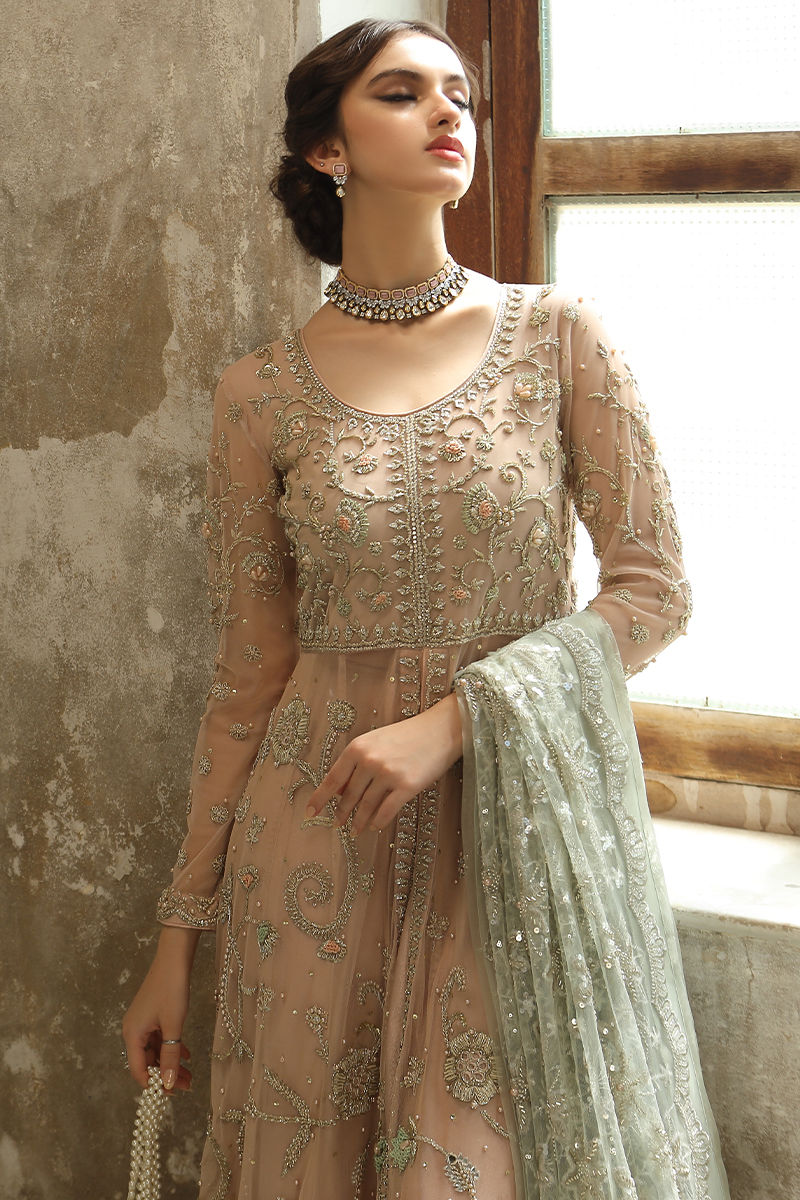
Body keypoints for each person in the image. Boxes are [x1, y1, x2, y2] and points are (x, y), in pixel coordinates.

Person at [123, 17, 730, 1200]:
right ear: (326, 149)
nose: (449, 112)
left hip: (510, 836)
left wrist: (453, 722)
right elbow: (246, 681)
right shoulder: (256, 395)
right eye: (401, 93)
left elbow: (653, 592)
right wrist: (175, 943)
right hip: (314, 849)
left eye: (458, 93)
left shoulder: (558, 337)